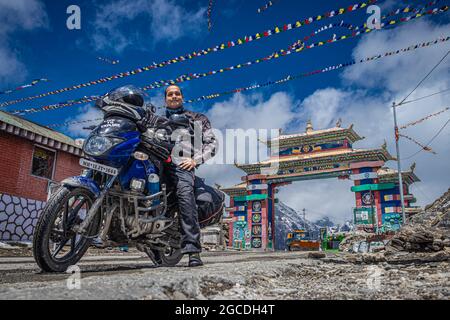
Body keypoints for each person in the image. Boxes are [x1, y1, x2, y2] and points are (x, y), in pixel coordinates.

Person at [160, 84, 218, 267]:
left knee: (185, 194)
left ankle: (193, 250)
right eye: (170, 94)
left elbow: (212, 143)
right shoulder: (156, 120)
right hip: (156, 160)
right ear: (165, 99)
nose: (174, 96)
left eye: (177, 93)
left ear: (182, 97)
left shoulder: (197, 118)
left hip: (181, 163)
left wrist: (195, 160)